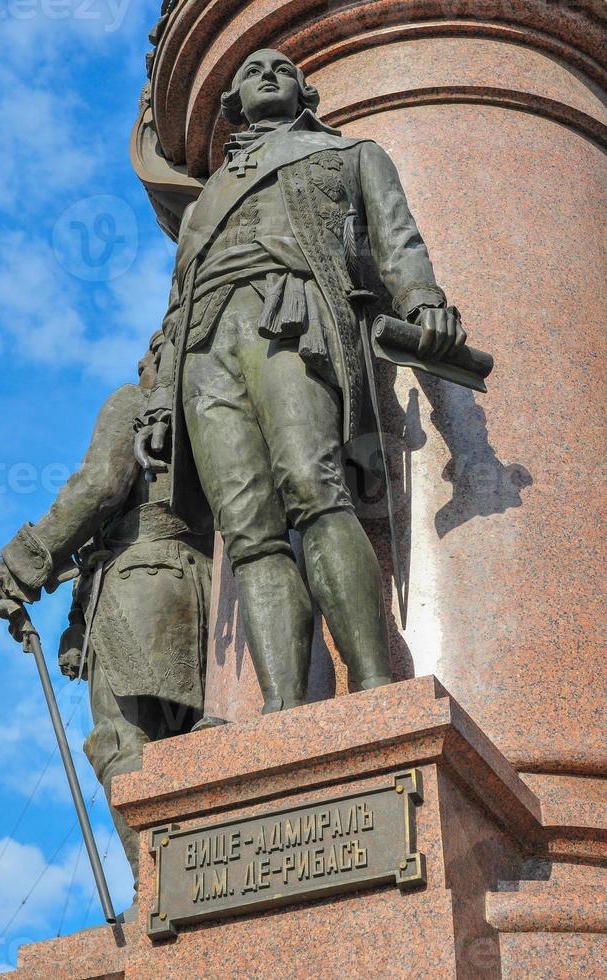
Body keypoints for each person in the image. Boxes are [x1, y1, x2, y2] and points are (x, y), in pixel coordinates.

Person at [135, 49, 467, 714]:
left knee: (314, 491)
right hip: (205, 352)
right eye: (252, 69)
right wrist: (155, 403)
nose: (267, 72)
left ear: (304, 92)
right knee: (249, 530)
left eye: (282, 68)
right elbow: (173, 312)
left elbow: (396, 240)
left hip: (288, 317)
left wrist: (423, 299)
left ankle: (374, 683)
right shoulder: (205, 203)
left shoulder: (350, 155)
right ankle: (279, 713)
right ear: (230, 102)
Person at [0, 333, 213, 918]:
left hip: (139, 590)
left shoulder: (136, 399)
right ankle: (214, 873)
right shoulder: (217, 400)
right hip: (213, 595)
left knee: (121, 744)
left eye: (147, 352)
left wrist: (23, 560)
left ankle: (163, 888)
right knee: (196, 745)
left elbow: (98, 488)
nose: (141, 362)